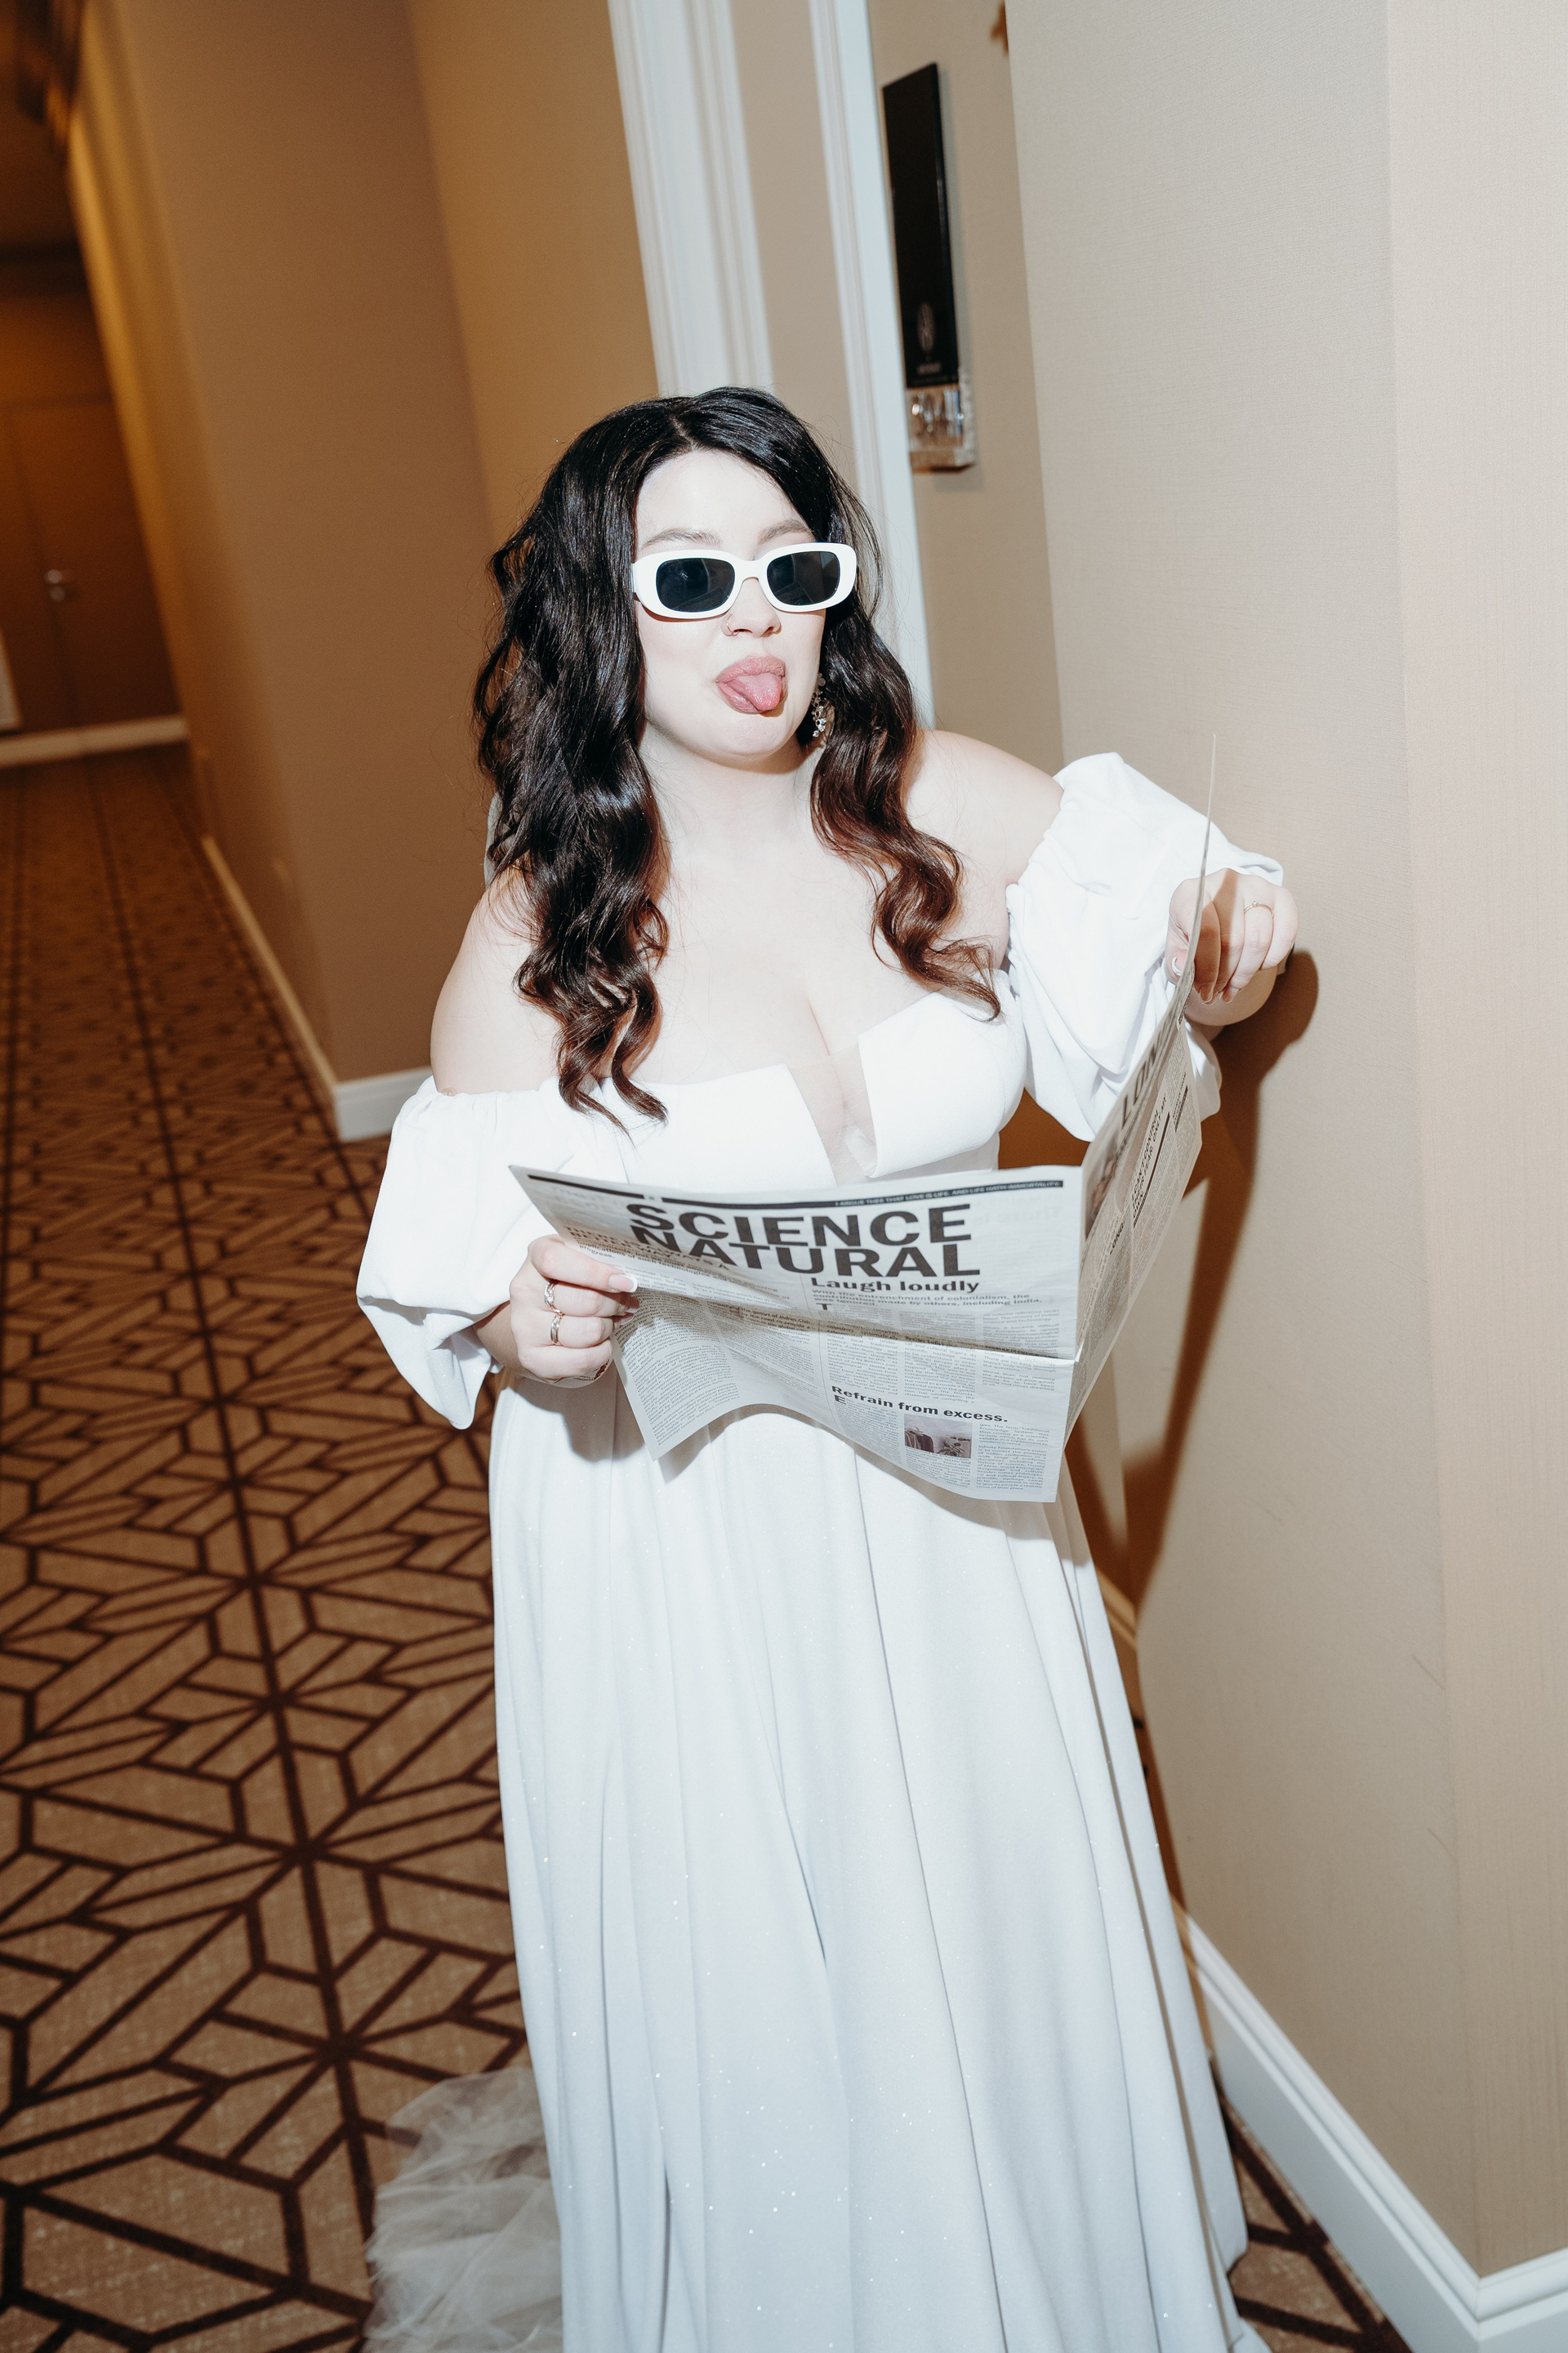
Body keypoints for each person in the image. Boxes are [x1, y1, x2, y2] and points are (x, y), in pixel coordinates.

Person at [357, 387, 1296, 2353]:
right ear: (596, 617)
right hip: (703, 1536)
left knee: (986, 1890)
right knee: (784, 1949)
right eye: (690, 580)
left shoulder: (940, 800)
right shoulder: (536, 938)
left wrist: (1218, 957)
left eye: (793, 568)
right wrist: (530, 1324)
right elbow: (473, 1278)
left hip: (956, 1493)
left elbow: (1195, 935)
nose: (755, 618)